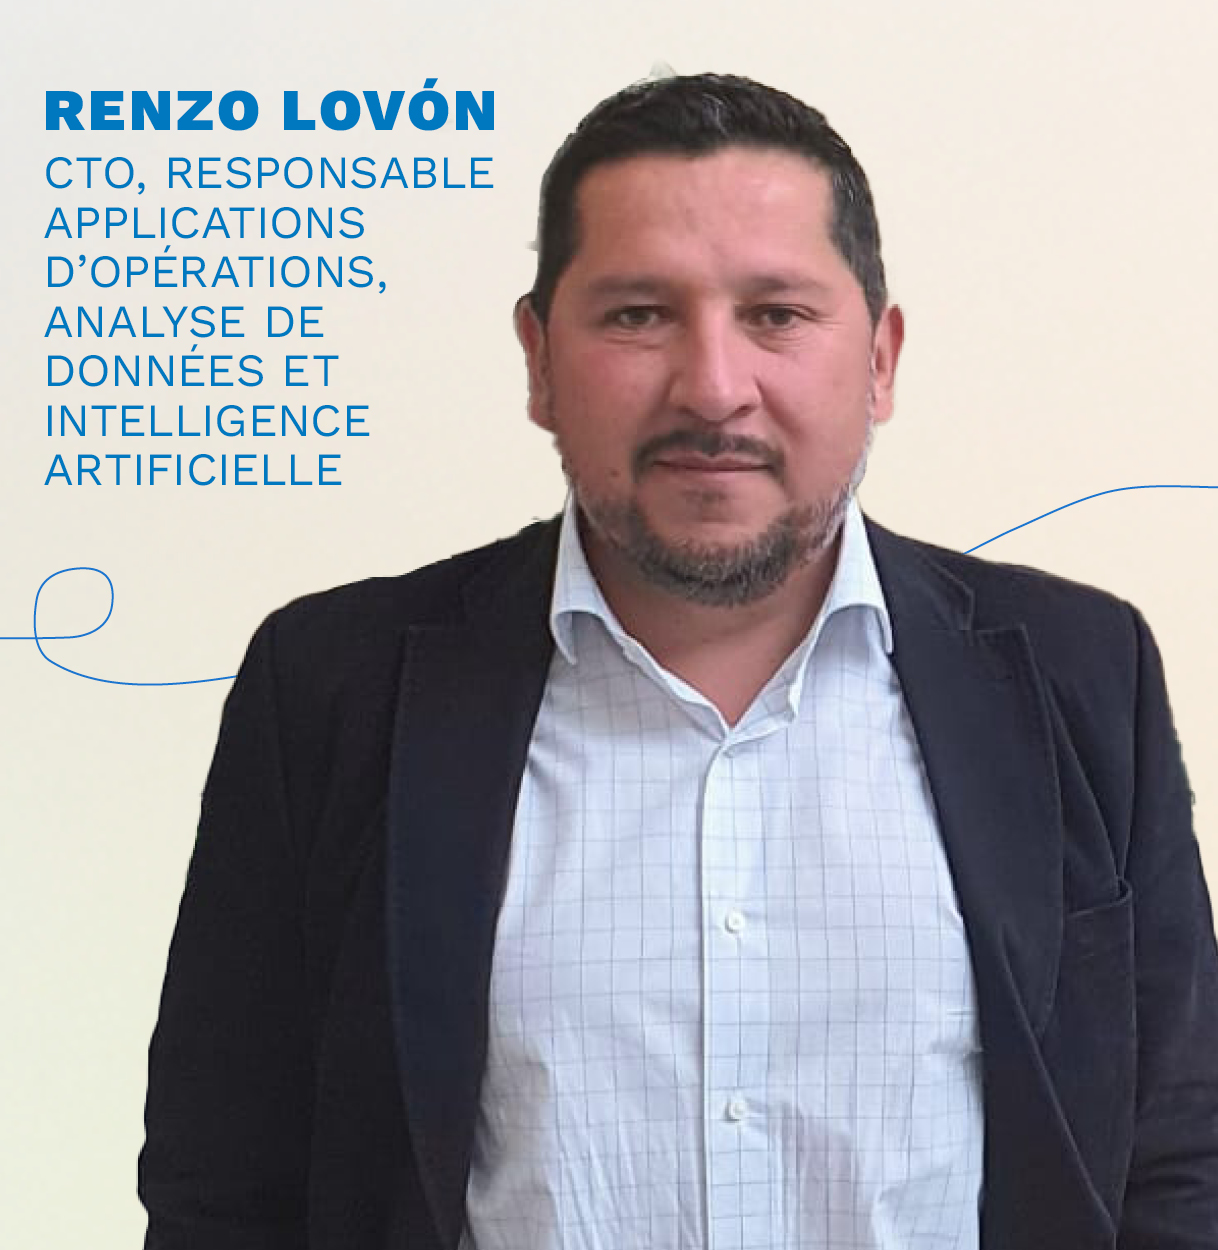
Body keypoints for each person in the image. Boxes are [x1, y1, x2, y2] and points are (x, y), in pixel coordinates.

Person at [139, 73, 1218, 1250]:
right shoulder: (332, 688)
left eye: (776, 314)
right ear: (539, 359)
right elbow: (224, 1186)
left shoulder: (1077, 670)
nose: (711, 389)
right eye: (638, 315)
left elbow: (1174, 1153)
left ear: (879, 358)